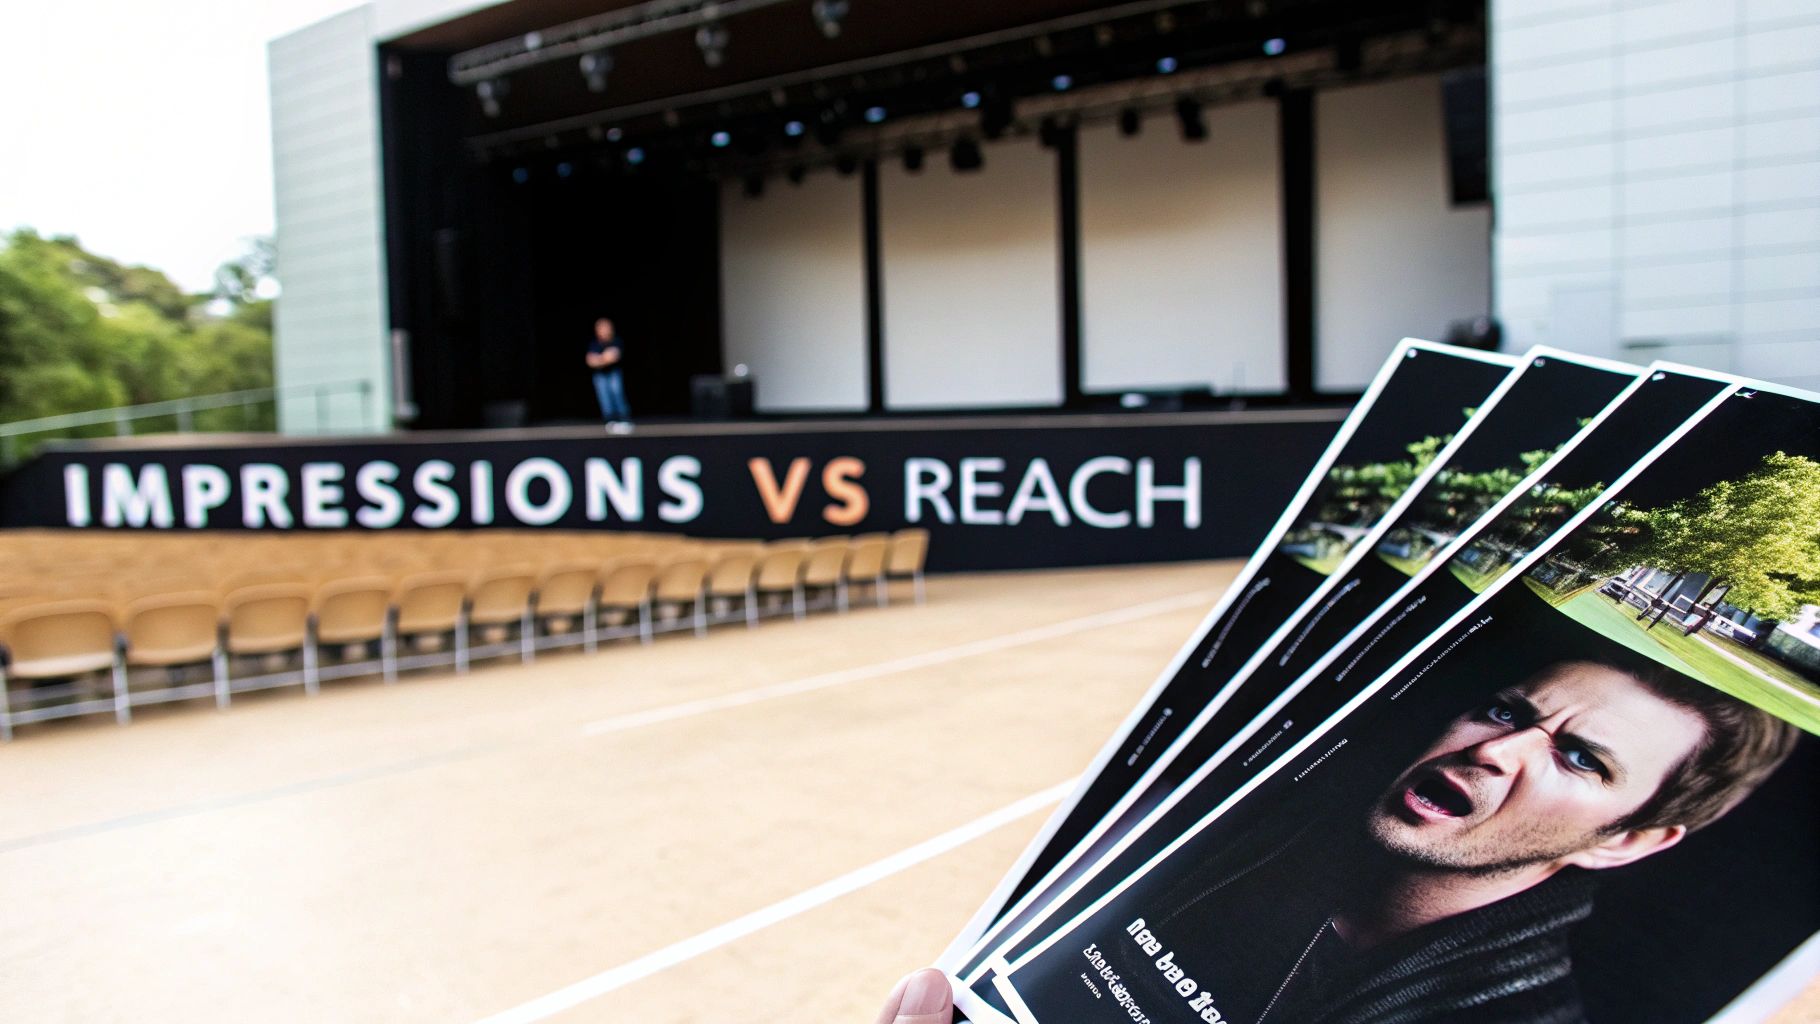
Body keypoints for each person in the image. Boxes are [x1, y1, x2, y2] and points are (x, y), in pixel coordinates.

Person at [1135, 657, 1799, 1024]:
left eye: (1578, 759)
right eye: (1507, 712)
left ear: (1624, 842)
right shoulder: (1229, 843)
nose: (1497, 751)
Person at [587, 317, 632, 430]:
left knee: (616, 393)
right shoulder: (595, 343)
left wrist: (599, 359)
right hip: (600, 375)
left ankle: (623, 419)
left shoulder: (616, 341)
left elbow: (613, 356)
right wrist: (604, 358)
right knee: (604, 397)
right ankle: (610, 420)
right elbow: (590, 360)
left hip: (613, 373)